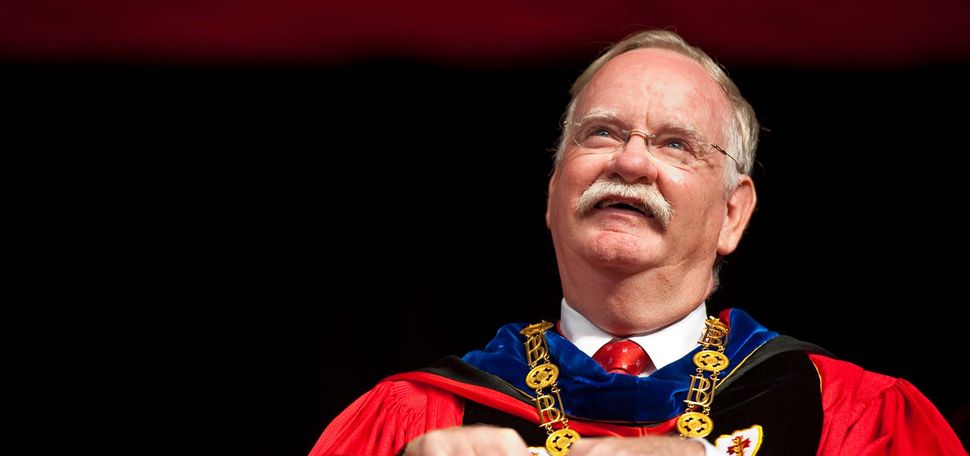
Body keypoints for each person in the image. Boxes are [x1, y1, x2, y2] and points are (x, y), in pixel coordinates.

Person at [308, 30, 965, 456]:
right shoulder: (408, 422)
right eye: (599, 134)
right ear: (552, 193)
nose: (629, 162)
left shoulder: (856, 420)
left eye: (675, 143)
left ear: (732, 213)